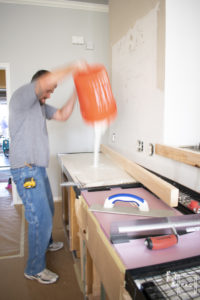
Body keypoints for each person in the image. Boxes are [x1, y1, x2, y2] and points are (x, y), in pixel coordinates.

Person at [9, 61, 87, 284]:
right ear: (39, 84)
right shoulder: (23, 96)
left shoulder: (40, 106)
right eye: (49, 90)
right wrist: (74, 67)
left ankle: (46, 242)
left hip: (36, 168)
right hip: (25, 170)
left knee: (48, 209)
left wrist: (77, 92)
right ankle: (34, 268)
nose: (50, 95)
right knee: (39, 218)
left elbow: (62, 115)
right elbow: (46, 81)